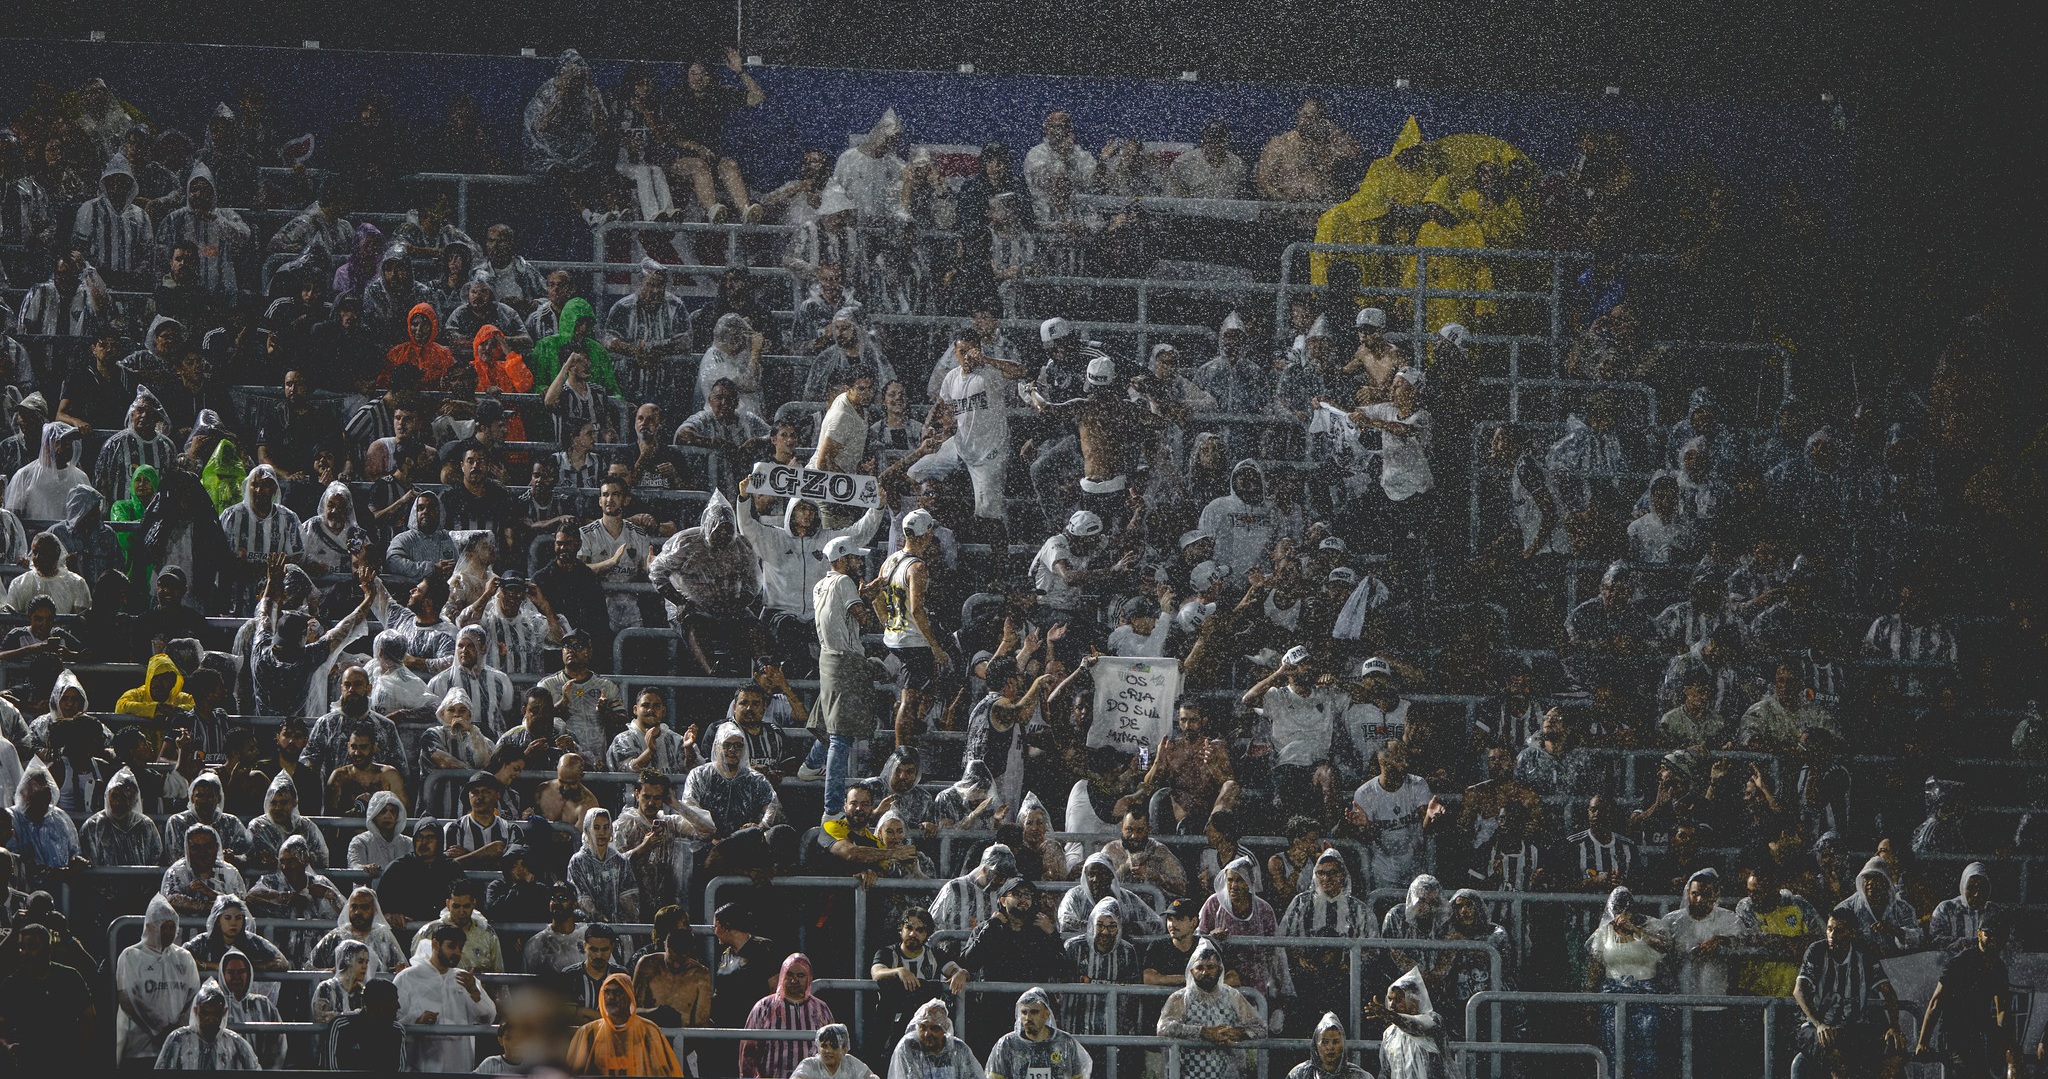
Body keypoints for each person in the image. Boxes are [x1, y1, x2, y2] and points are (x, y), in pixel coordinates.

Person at [1795, 906, 1909, 1079]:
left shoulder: (1864, 953)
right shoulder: (1817, 950)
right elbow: (1799, 990)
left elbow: (1888, 992)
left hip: (1853, 1026)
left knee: (1896, 1048)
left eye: (1839, 931)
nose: (1832, 935)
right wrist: (1819, 1024)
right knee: (1834, 1053)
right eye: (1829, 929)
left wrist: (1894, 1026)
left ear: (1852, 933)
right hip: (1814, 1026)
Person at [874, 507, 949, 745]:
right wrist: (934, 646)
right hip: (913, 641)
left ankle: (909, 731)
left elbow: (876, 598)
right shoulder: (917, 567)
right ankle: (901, 750)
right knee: (910, 699)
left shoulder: (890, 561)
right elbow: (917, 609)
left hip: (894, 637)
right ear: (926, 535)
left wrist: (888, 623)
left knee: (920, 693)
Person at [1915, 911, 2018, 1079]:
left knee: (2010, 1058)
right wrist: (1922, 1042)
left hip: (1980, 1033)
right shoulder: (1961, 962)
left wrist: (2005, 1044)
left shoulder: (1999, 968)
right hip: (1953, 1035)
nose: (1994, 939)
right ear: (1979, 934)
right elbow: (1936, 1001)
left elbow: (2002, 1010)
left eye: (2000, 935)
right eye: (1989, 933)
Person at [1156, 939, 1268, 1079]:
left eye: (1210, 967)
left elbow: (1261, 1028)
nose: (1205, 972)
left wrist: (1239, 1032)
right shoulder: (1180, 997)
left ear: (1220, 970)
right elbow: (1163, 1028)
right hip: (1189, 1074)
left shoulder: (1232, 995)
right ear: (1192, 971)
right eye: (1200, 968)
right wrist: (1203, 1032)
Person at [394, 922, 498, 1071]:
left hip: (459, 1066)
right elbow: (394, 1023)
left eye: (460, 948)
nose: (457, 952)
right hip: (420, 1067)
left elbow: (489, 1017)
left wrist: (475, 993)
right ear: (435, 944)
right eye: (451, 946)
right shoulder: (407, 977)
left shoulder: (465, 979)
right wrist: (417, 1021)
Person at [117, 894, 202, 1065]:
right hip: (141, 1049)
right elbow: (129, 999)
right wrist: (159, 1030)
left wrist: (178, 1031)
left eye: (172, 927)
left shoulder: (184, 957)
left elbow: (194, 997)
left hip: (178, 1047)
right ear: (150, 927)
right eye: (164, 927)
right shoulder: (131, 956)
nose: (169, 932)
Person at [566, 971, 684, 1077]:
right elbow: (573, 1073)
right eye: (607, 992)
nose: (611, 997)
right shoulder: (588, 1032)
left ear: (629, 995)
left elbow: (663, 1071)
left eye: (617, 992)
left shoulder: (649, 1031)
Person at [741, 953, 836, 1078]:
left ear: (809, 978)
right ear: (782, 975)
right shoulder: (763, 1007)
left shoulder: (821, 1009)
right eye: (789, 974)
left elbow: (834, 1050)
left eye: (800, 975)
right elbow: (748, 1052)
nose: (794, 980)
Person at [1363, 966, 1453, 1079]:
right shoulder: (1389, 1033)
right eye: (1390, 999)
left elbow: (1416, 1027)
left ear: (1415, 1000)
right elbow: (1386, 1071)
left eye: (1399, 999)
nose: (1391, 1005)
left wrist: (1389, 1015)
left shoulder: (1433, 1019)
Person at [152, 979, 259, 1070]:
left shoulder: (237, 1044)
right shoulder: (177, 1040)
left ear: (224, 1012)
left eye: (215, 1014)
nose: (210, 1019)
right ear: (195, 1011)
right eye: (205, 1013)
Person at [988, 987, 1093, 1079]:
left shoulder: (1065, 1043)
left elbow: (1078, 1076)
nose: (1028, 1018)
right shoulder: (1007, 1044)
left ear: (1046, 1014)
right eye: (1024, 1012)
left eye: (1034, 1012)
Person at [311, 884, 409, 975]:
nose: (358, 912)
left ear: (374, 909)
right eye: (354, 907)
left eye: (364, 907)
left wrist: (398, 969)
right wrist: (329, 972)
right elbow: (309, 967)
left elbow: (402, 967)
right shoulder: (336, 936)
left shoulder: (383, 935)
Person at [887, 999, 988, 1079]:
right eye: (923, 1027)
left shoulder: (959, 1049)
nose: (927, 1034)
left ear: (945, 1028)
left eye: (934, 1028)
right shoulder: (908, 1048)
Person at [326, 978, 409, 1069]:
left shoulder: (397, 1031)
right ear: (377, 1003)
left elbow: (399, 1071)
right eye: (392, 1000)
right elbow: (332, 1070)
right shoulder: (341, 1027)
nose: (398, 1006)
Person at [1290, 1012, 1373, 1079]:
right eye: (1325, 1042)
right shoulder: (1300, 1074)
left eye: (1336, 1042)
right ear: (1315, 1044)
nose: (1330, 1047)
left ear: (1343, 1043)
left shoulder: (1359, 1076)